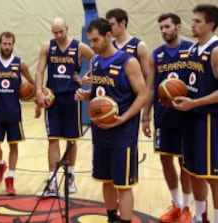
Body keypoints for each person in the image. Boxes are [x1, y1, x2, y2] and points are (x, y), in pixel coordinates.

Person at [75, 18, 147, 222]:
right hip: (101, 131)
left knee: (122, 185)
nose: (92, 45)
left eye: (95, 40)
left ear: (108, 36)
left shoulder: (128, 62)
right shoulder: (96, 61)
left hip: (122, 133)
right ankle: (110, 218)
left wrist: (123, 117)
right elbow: (102, 94)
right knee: (105, 181)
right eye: (90, 41)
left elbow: (142, 94)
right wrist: (86, 95)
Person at [141, 13, 193, 222]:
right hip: (163, 115)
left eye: (167, 27)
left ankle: (187, 208)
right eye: (161, 28)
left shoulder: (190, 50)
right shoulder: (156, 55)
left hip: (185, 115)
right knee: (165, 159)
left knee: (185, 162)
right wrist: (146, 116)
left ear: (178, 27)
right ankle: (176, 204)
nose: (163, 31)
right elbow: (151, 87)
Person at [35, 17, 94, 196]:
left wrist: (86, 78)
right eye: (55, 32)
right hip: (52, 99)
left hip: (72, 98)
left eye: (61, 31)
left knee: (71, 140)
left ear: (67, 28)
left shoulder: (79, 47)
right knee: (52, 139)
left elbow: (97, 59)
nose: (58, 35)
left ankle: (70, 177)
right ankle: (52, 181)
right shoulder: (47, 47)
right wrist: (38, 92)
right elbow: (39, 71)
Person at [173, 4, 218, 223]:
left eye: (197, 21)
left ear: (210, 25)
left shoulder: (216, 50)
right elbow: (189, 84)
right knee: (193, 171)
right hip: (190, 117)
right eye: (192, 21)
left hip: (209, 120)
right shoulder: (192, 50)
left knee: (213, 175)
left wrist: (195, 103)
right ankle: (200, 216)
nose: (192, 24)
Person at [0, 31, 35, 195]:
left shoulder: (20, 64)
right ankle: (1, 163)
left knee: (13, 145)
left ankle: (10, 179)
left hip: (14, 112)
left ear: (13, 44)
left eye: (9, 44)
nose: (7, 46)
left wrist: (35, 97)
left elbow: (32, 83)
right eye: (4, 43)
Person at [105, 8, 151, 81]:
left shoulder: (139, 45)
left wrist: (147, 92)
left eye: (112, 25)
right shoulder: (110, 46)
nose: (109, 28)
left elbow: (148, 75)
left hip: (133, 90)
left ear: (122, 23)